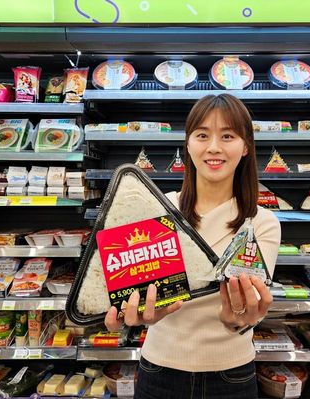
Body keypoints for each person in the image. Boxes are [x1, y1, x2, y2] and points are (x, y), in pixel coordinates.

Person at [105, 93, 281, 399]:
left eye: (227, 136)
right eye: (202, 135)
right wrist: (124, 315)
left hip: (232, 376)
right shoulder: (157, 211)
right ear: (188, 144)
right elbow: (129, 294)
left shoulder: (261, 223)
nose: (213, 147)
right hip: (158, 370)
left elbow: (247, 309)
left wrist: (238, 320)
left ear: (246, 147)